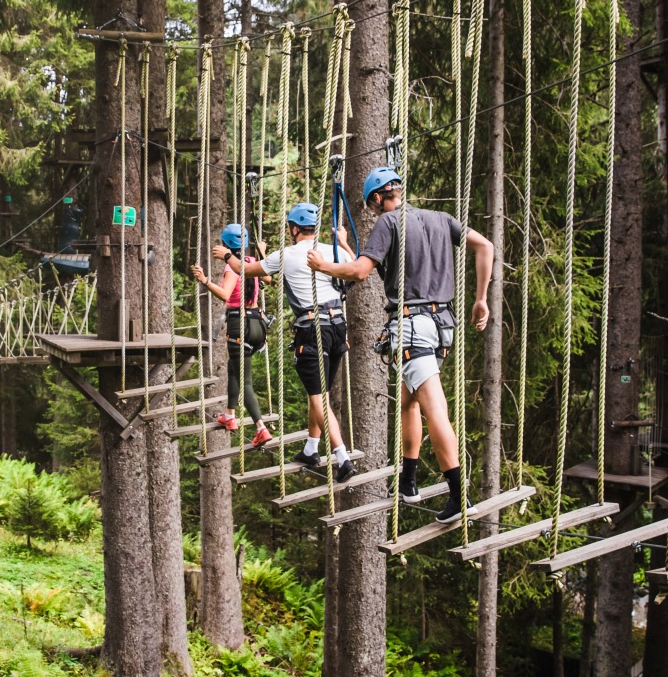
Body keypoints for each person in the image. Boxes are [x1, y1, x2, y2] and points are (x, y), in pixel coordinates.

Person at [308, 167, 494, 522]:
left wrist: (324, 266)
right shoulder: (440, 219)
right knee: (409, 400)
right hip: (442, 327)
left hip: (413, 327)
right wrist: (481, 298)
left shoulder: (389, 222)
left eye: (372, 205)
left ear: (378, 198)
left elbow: (361, 272)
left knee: (434, 408)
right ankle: (408, 481)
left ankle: (459, 497)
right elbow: (485, 245)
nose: (374, 211)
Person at [215, 202, 358, 481]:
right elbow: (357, 268)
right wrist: (343, 242)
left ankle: (342, 458)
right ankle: (311, 448)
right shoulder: (332, 251)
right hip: (337, 327)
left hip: (312, 328)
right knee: (319, 393)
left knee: (319, 398)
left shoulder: (287, 255)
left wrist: (227, 255)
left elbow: (245, 269)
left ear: (293, 229)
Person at [191, 224, 268, 439]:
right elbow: (269, 278)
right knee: (234, 369)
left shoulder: (231, 268)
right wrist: (262, 253)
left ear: (225, 244)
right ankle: (230, 415)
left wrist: (205, 281)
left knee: (246, 381)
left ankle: (261, 427)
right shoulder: (252, 262)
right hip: (257, 325)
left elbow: (225, 294)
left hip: (239, 325)